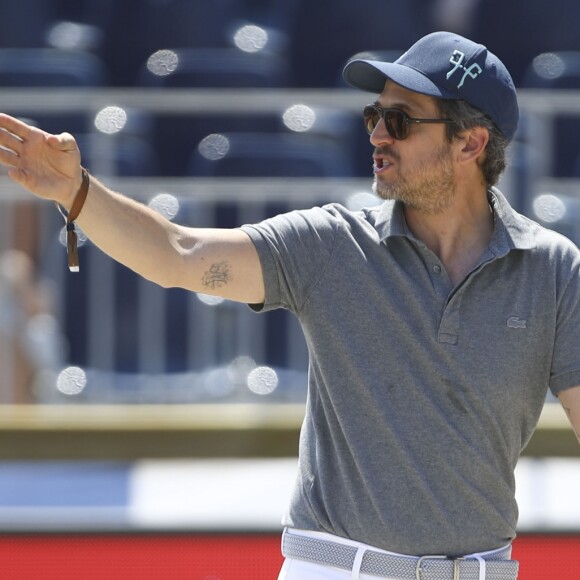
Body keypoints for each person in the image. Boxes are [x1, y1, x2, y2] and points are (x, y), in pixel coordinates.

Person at [0, 30, 578, 579]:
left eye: (398, 121)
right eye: (373, 117)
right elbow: (179, 253)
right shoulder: (331, 242)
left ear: (471, 144)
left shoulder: (554, 270)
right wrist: (76, 192)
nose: (377, 135)